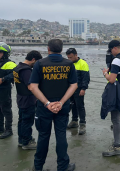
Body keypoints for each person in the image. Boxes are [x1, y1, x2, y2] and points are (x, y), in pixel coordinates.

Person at [28, 39, 77, 171]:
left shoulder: (40, 64)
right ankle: (63, 166)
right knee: (61, 135)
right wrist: (61, 102)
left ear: (48, 48)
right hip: (62, 106)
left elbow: (33, 87)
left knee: (43, 136)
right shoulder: (69, 64)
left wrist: (47, 103)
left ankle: (38, 167)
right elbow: (74, 85)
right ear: (61, 49)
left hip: (45, 107)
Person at [13, 50, 42, 150]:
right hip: (28, 99)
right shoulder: (26, 70)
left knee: (21, 120)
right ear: (33, 59)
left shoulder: (17, 67)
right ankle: (27, 142)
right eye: (37, 62)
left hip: (20, 98)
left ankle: (21, 140)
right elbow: (31, 87)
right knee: (27, 121)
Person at [66, 48, 90, 135]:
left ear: (76, 55)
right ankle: (74, 121)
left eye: (71, 57)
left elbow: (86, 78)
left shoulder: (83, 64)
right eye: (68, 57)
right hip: (69, 89)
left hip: (79, 89)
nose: (69, 59)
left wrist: (83, 88)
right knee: (72, 105)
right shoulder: (68, 64)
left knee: (80, 106)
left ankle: (82, 124)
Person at [0, 42, 16, 139]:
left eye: (0, 52)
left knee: (6, 110)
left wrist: (3, 79)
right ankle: (0, 127)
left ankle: (8, 130)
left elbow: (15, 74)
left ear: (5, 53)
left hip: (4, 90)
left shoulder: (10, 64)